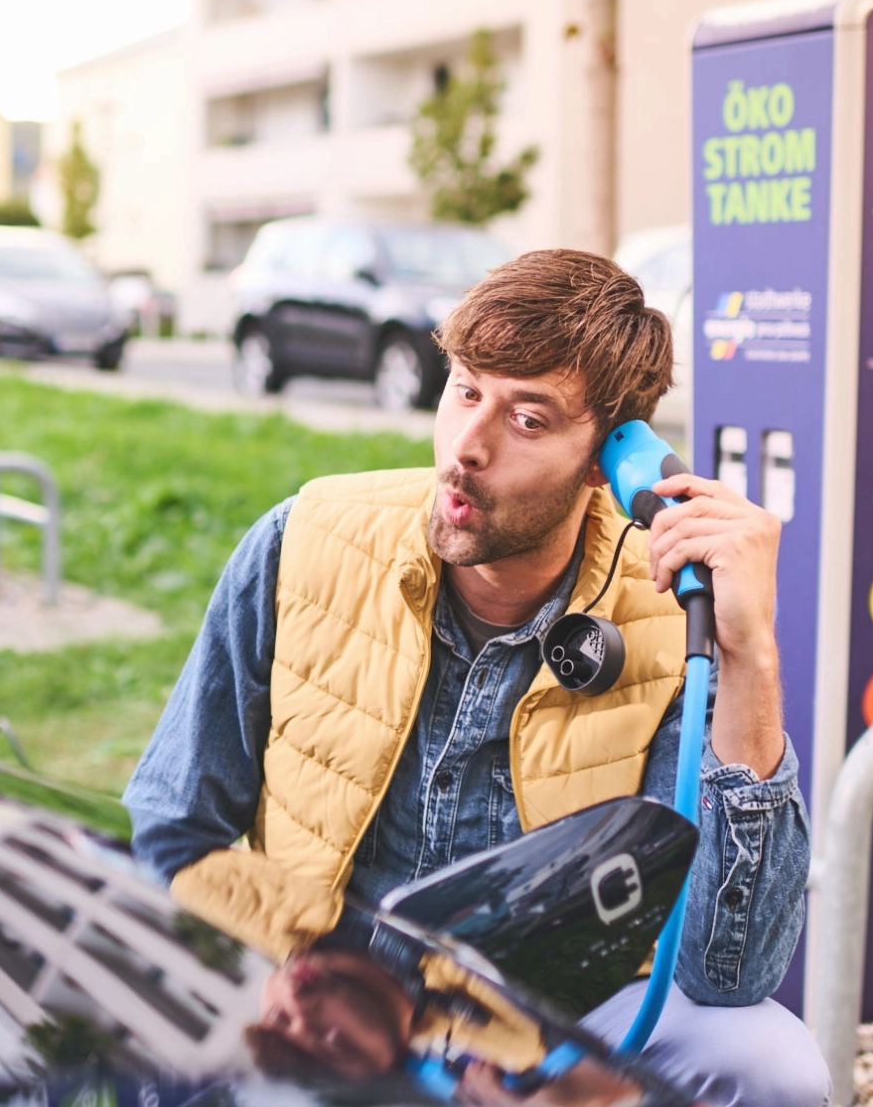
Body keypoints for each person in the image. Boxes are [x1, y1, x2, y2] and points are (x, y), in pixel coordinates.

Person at [123, 250, 828, 1106]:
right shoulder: (302, 542)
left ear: (613, 456)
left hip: (549, 1015)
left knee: (770, 1063)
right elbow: (171, 827)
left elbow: (730, 973)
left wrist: (751, 654)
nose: (466, 448)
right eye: (464, 390)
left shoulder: (669, 613)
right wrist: (264, 970)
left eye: (527, 420)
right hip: (321, 991)